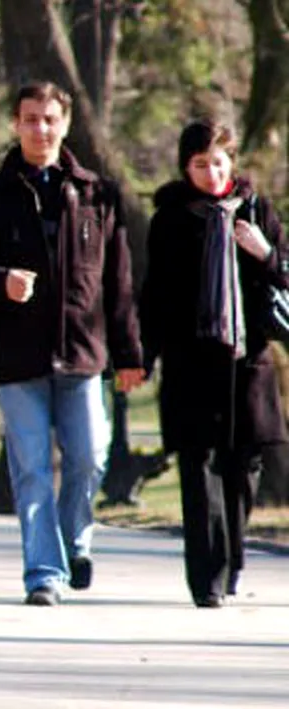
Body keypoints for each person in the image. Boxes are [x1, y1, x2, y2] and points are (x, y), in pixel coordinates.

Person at [0, 81, 144, 606]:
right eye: (30, 119)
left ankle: (75, 540)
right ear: (16, 123)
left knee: (89, 458)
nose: (40, 129)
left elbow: (118, 284)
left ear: (66, 123)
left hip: (82, 352)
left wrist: (129, 355)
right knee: (31, 470)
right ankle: (44, 575)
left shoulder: (99, 194)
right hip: (18, 358)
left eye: (49, 118)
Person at [138, 119, 288, 608]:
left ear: (232, 163)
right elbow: (155, 294)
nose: (210, 173)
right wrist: (143, 354)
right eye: (199, 164)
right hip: (191, 362)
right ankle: (207, 579)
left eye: (217, 162)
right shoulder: (171, 219)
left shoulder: (256, 210)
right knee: (199, 472)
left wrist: (261, 252)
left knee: (244, 468)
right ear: (186, 167)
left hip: (248, 362)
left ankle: (234, 558)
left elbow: (283, 271)